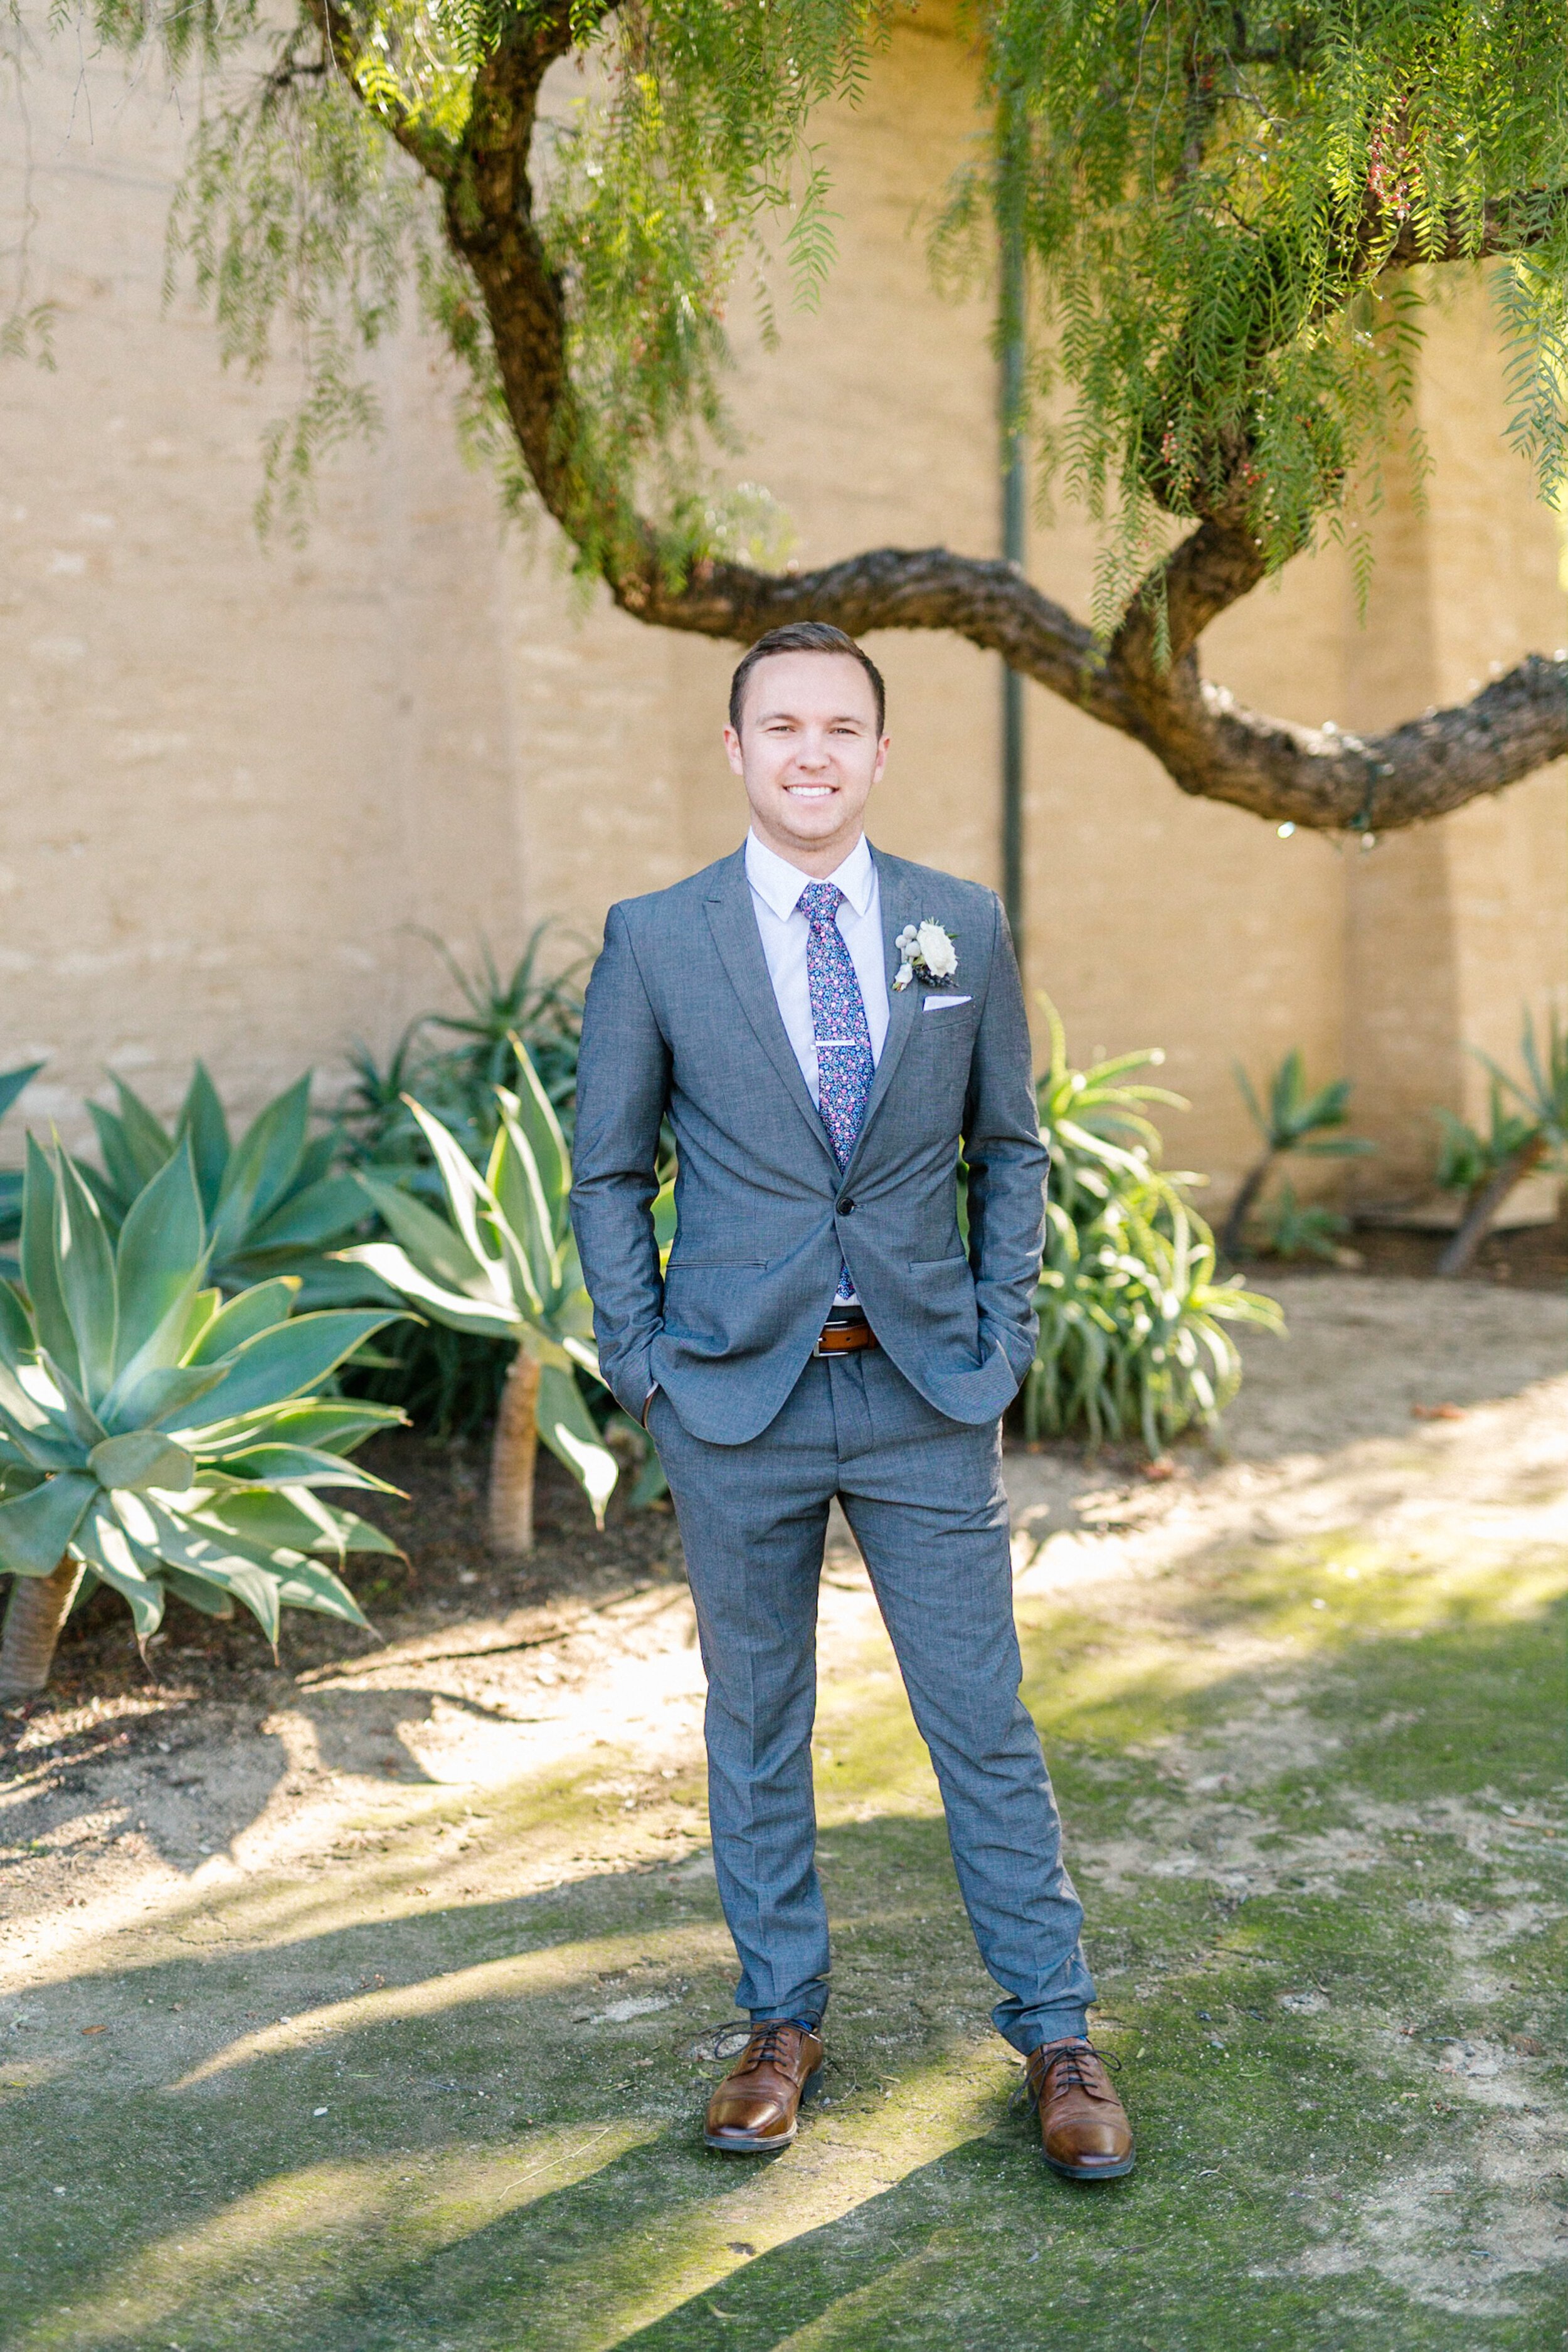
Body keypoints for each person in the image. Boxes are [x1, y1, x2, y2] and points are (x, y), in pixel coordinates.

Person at [569, 621, 1133, 2181]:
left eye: (839, 728)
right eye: (779, 726)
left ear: (879, 755)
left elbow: (1006, 1146)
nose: (809, 751)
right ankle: (779, 2022)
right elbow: (611, 1166)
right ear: (734, 751)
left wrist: (999, 1336)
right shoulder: (655, 936)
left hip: (921, 1391)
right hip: (731, 1398)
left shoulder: (955, 923)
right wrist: (645, 1364)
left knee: (980, 1720)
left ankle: (1055, 2032)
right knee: (756, 1722)